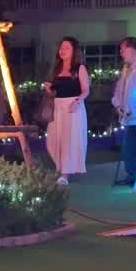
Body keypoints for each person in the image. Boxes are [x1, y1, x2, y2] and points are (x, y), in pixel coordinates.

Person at [42, 37, 89, 184]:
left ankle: (65, 173)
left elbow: (86, 90)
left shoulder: (79, 68)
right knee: (53, 139)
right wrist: (49, 88)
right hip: (58, 107)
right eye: (61, 47)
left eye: (67, 48)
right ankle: (61, 167)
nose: (63, 50)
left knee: (69, 140)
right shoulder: (57, 69)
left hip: (73, 108)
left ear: (74, 51)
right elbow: (55, 92)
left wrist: (77, 101)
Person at [111, 36, 136, 186]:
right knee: (130, 148)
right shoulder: (126, 69)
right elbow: (119, 90)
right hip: (128, 115)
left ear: (132, 49)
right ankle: (132, 174)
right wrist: (118, 105)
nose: (121, 52)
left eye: (123, 49)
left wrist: (135, 110)